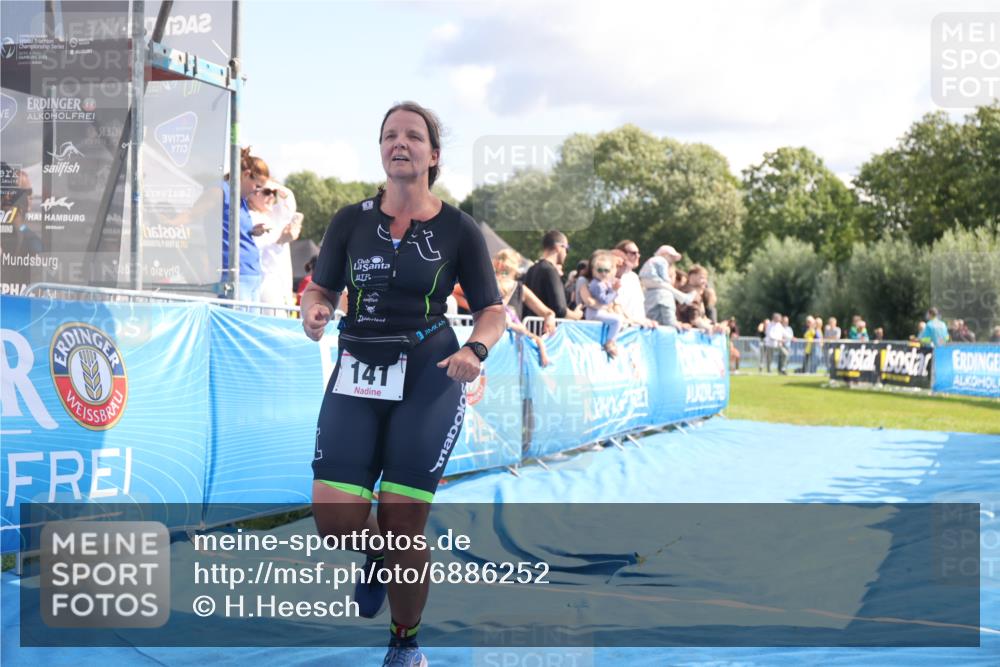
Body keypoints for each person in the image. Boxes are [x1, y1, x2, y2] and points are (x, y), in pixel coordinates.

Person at [300, 101, 506, 667]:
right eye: (390, 134)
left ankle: (405, 642)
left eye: (413, 136)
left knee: (402, 524)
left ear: (433, 155)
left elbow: (492, 309)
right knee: (336, 521)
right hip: (357, 372)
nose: (400, 143)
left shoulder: (459, 228)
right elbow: (320, 288)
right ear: (381, 150)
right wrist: (315, 309)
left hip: (429, 378)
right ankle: (382, 554)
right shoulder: (349, 221)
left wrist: (475, 349)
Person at [222, 147, 271, 301]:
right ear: (245, 175)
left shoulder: (241, 199)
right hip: (235, 275)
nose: (258, 192)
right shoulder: (221, 191)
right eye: (257, 186)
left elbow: (234, 229)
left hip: (252, 274)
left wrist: (252, 231)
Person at [494, 250, 551, 366]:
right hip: (509, 350)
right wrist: (550, 317)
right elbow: (547, 312)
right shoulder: (518, 288)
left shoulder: (488, 284)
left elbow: (547, 312)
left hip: (493, 345)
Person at [253, 180, 302, 313]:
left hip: (280, 283)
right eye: (267, 192)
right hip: (262, 284)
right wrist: (280, 241)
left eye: (273, 193)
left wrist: (276, 186)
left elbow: (289, 203)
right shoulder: (248, 216)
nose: (271, 196)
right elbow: (258, 251)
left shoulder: (273, 214)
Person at [523, 230, 583, 321]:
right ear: (559, 247)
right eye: (567, 249)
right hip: (546, 327)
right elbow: (560, 310)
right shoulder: (550, 270)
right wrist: (576, 315)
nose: (566, 253)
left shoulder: (532, 269)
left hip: (530, 326)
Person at [584, 252, 625, 357]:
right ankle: (610, 342)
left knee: (619, 319)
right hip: (594, 313)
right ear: (594, 270)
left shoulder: (603, 283)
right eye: (600, 270)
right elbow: (605, 300)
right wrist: (614, 290)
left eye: (606, 270)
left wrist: (613, 289)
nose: (603, 273)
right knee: (618, 320)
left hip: (599, 312)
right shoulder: (597, 284)